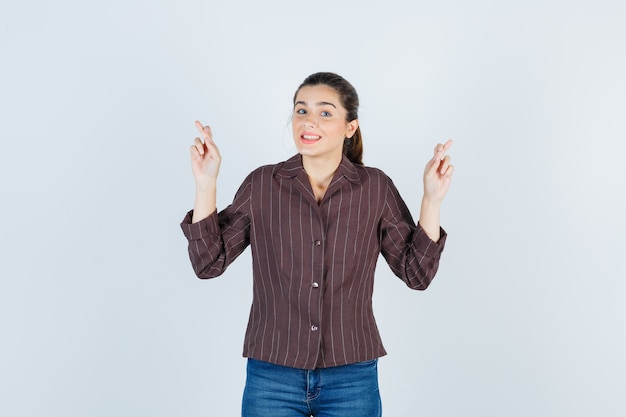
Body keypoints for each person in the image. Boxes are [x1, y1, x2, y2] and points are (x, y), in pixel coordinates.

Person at [180, 72, 454, 417]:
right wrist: (206, 184)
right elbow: (208, 263)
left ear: (349, 126)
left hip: (351, 374)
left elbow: (417, 274)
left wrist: (431, 200)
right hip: (272, 373)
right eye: (301, 111)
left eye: (325, 113)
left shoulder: (375, 188)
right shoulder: (263, 184)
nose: (309, 122)